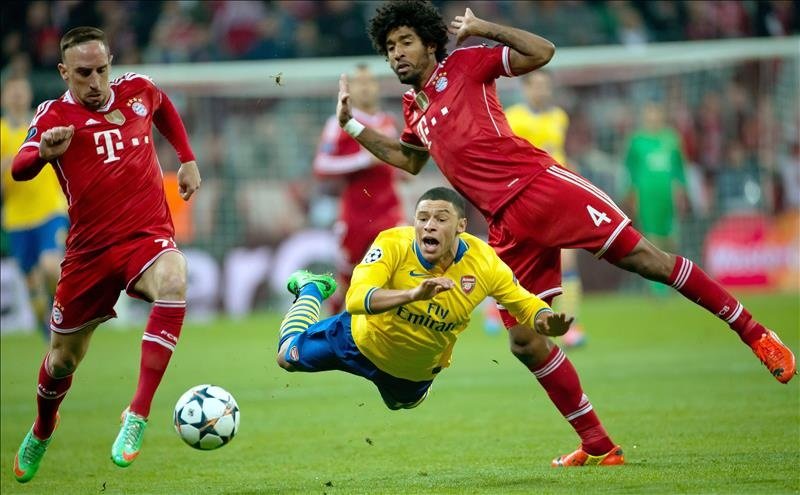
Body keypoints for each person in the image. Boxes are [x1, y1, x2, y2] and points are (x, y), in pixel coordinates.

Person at [334, 0, 796, 466]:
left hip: (541, 188)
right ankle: (598, 443)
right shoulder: (414, 106)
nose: (396, 54)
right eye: (390, 46)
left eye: (405, 42)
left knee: (647, 261)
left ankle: (756, 334)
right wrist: (352, 124)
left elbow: (542, 51)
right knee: (524, 341)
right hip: (506, 226)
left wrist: (481, 28)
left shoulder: (467, 63)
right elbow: (410, 160)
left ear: (431, 43)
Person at [10, 27, 201, 483]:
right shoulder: (53, 114)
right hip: (89, 253)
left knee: (175, 278)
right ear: (63, 72)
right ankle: (42, 427)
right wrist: (41, 154)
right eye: (83, 73)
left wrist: (188, 158)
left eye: (101, 70)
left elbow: (163, 107)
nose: (95, 81)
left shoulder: (138, 89)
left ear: (111, 63)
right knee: (62, 361)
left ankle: (137, 413)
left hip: (145, 237)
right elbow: (19, 167)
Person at [275, 187, 587, 436]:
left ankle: (407, 389)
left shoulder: (484, 263)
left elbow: (523, 301)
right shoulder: (393, 243)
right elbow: (356, 298)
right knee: (288, 356)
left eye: (440, 218)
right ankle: (312, 289)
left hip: (412, 374)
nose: (429, 225)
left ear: (461, 226)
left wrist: (544, 320)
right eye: (422, 217)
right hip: (356, 340)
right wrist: (412, 294)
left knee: (401, 404)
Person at [313, 63, 405, 312]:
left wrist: (401, 171)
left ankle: (392, 333)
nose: (366, 87)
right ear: (350, 90)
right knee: (349, 278)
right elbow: (322, 164)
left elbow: (396, 163)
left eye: (370, 81)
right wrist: (364, 160)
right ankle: (330, 328)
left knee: (397, 270)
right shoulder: (339, 122)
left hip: (389, 211)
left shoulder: (388, 121)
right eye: (360, 82)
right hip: (356, 214)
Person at [505, 69, 585, 346]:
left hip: (559, 196)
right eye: (535, 85)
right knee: (516, 261)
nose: (540, 90)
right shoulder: (512, 118)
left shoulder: (559, 117)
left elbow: (561, 155)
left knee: (568, 259)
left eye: (545, 85)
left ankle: (569, 324)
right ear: (524, 88)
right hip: (526, 196)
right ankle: (501, 310)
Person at [1, 76, 69, 340]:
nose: (17, 96)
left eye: (21, 90)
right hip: (17, 218)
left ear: (29, 95)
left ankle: (60, 307)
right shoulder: (1, 132)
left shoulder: (42, 125)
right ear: (4, 97)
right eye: (12, 91)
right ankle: (46, 324)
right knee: (30, 279)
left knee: (50, 265)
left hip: (50, 209)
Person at [623, 101, 689, 296]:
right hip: (646, 196)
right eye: (649, 113)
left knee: (670, 239)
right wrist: (631, 193)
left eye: (656, 112)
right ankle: (657, 288)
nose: (653, 117)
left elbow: (680, 169)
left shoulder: (672, 139)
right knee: (651, 239)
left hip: (668, 196)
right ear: (644, 115)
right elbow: (630, 171)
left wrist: (682, 191)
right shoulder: (636, 141)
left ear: (662, 114)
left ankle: (671, 278)